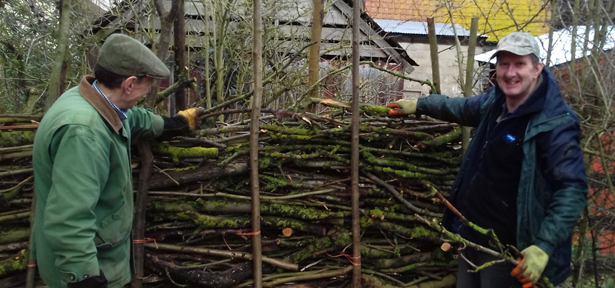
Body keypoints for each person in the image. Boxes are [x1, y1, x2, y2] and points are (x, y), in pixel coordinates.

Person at [388, 31, 588, 288]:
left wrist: (543, 247)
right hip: (473, 233)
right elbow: (460, 107)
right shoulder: (497, 101)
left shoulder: (555, 122)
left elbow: (572, 189)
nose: (510, 72)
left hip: (510, 251)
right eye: (504, 63)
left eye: (519, 64)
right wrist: (420, 105)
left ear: (537, 68)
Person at [31, 33, 203, 288]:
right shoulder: (84, 133)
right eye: (147, 85)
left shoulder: (89, 98)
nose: (147, 93)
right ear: (130, 84)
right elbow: (69, 220)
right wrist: (85, 278)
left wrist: (172, 124)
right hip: (88, 269)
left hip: (104, 257)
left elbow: (128, 117)